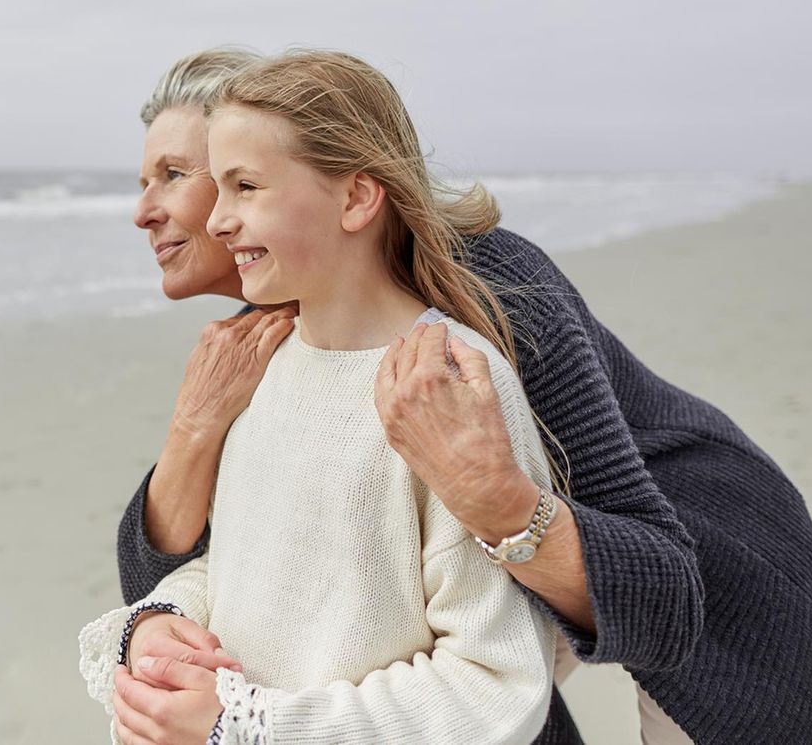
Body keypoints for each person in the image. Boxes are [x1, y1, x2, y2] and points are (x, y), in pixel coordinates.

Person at [108, 48, 812, 744]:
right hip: (527, 578)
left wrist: (495, 497)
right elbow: (217, 580)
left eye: (178, 173)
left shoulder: (487, 287)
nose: (149, 209)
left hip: (708, 570)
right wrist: (192, 432)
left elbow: (664, 598)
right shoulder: (274, 334)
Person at [80, 49, 558, 744]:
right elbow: (248, 564)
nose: (217, 220)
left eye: (245, 186)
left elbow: (493, 681)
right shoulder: (264, 361)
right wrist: (161, 626)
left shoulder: (451, 382)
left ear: (358, 198)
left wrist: (247, 726)